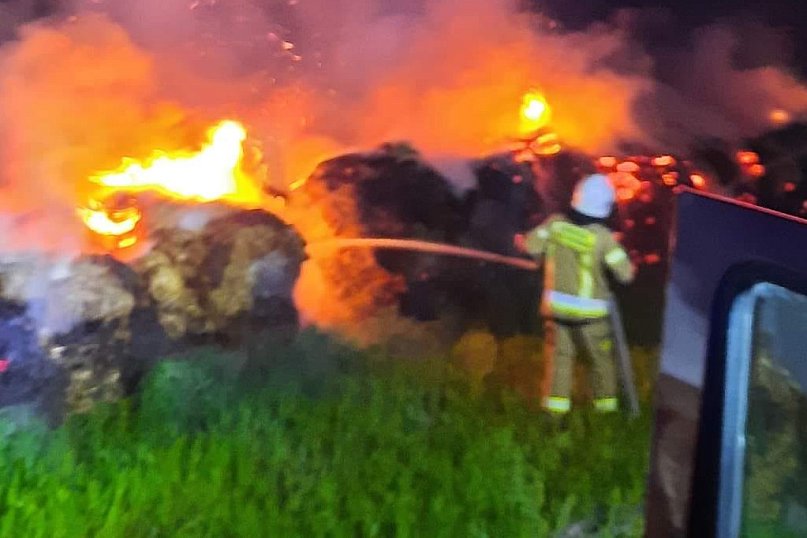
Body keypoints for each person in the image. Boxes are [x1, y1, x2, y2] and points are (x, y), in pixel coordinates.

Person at [514, 173, 635, 414]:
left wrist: (520, 240)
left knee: (559, 361)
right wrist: (632, 266)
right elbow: (626, 274)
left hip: (557, 312)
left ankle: (555, 415)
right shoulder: (603, 239)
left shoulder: (555, 225)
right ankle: (605, 412)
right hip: (592, 316)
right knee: (600, 362)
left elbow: (530, 246)